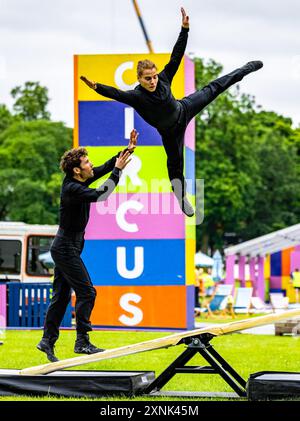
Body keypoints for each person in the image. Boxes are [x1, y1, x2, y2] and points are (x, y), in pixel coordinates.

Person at [80, 7, 263, 217]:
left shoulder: (164, 78)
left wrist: (184, 29)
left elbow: (176, 55)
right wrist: (96, 87)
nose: (152, 81)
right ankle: (181, 197)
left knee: (214, 88)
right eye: (147, 78)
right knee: (175, 166)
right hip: (170, 132)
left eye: (154, 76)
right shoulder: (136, 96)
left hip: (184, 109)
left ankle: (246, 68)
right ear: (139, 79)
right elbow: (115, 93)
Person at [37, 129, 138, 362]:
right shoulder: (73, 188)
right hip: (65, 247)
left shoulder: (80, 179)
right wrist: (118, 171)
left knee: (61, 296)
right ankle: (82, 342)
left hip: (69, 245)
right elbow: (102, 195)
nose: (90, 165)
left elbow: (104, 167)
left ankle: (47, 341)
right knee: (87, 292)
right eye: (86, 163)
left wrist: (127, 150)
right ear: (76, 170)